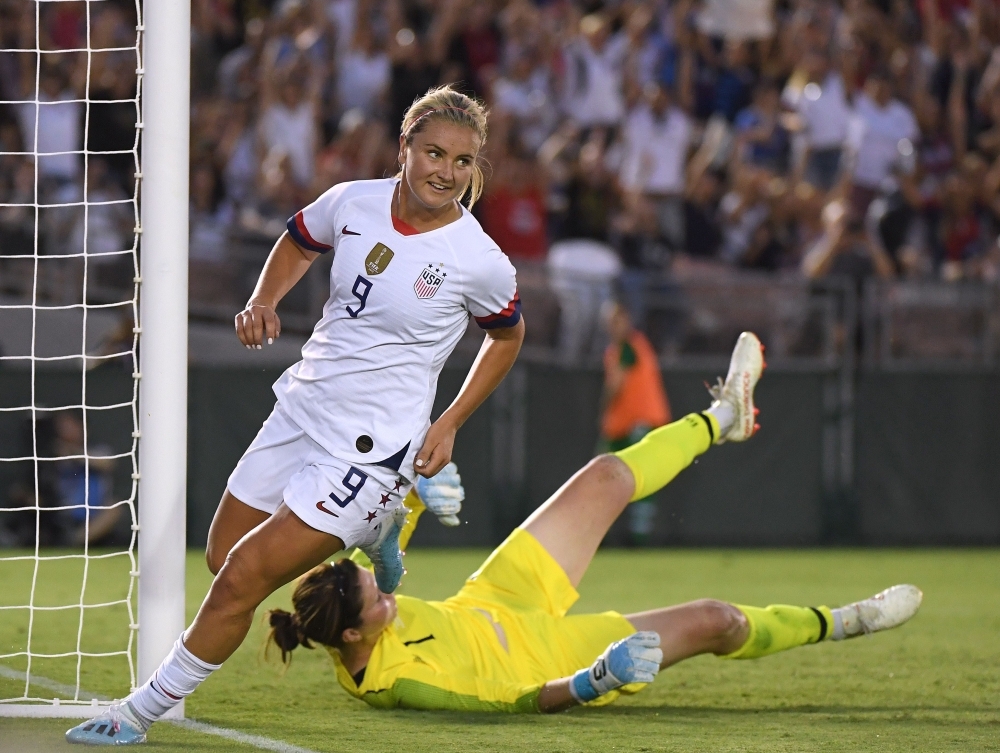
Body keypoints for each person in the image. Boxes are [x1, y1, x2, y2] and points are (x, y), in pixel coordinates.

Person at [66, 85, 525, 745]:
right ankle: (377, 532)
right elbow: (299, 239)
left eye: (462, 162)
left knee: (242, 582)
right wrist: (263, 299)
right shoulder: (353, 201)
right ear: (404, 147)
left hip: (368, 451)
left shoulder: (477, 258)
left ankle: (137, 712)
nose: (446, 172)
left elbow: (507, 336)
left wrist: (449, 419)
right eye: (434, 153)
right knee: (224, 556)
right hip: (303, 406)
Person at [261, 332, 921, 713]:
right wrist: (591, 681)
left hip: (496, 596)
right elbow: (512, 705)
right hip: (550, 656)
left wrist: (406, 510)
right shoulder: (398, 681)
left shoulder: (358, 610)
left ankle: (725, 418)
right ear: (353, 633)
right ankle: (845, 620)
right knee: (720, 619)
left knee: (604, 473)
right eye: (377, 600)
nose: (388, 594)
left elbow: (384, 547)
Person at [599, 302, 672, 545]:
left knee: (635, 480)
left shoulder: (629, 346)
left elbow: (616, 385)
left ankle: (638, 538)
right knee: (614, 479)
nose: (614, 326)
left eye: (617, 320)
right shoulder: (620, 349)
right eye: (611, 321)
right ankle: (615, 534)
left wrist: (603, 404)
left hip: (639, 421)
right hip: (622, 423)